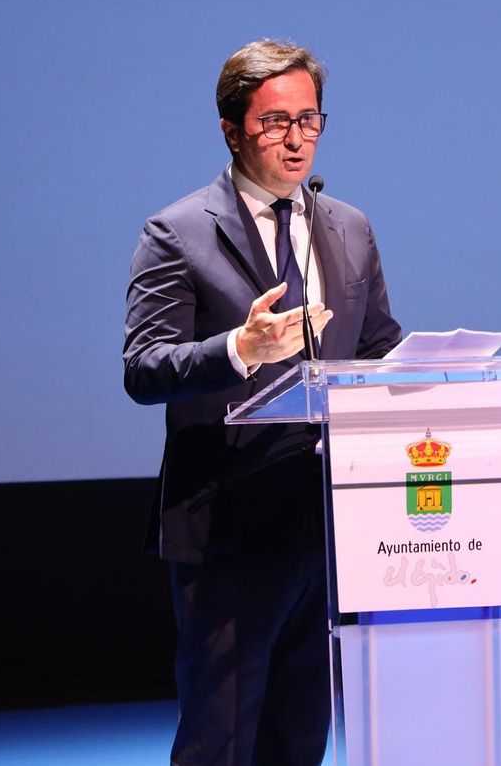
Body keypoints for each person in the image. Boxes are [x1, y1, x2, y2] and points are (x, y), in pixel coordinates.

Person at [124, 39, 401, 765]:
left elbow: (377, 352)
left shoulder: (349, 227)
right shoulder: (177, 233)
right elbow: (145, 368)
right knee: (221, 739)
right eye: (276, 123)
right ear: (230, 128)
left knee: (298, 736)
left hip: (325, 525)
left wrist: (430, 376)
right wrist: (240, 350)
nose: (296, 139)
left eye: (309, 120)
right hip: (227, 528)